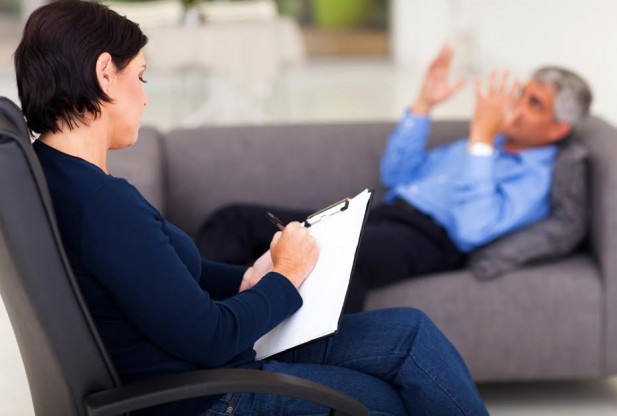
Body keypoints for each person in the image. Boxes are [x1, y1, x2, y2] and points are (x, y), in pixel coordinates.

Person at [14, 1, 489, 415]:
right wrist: (286, 276)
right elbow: (210, 338)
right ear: (104, 75)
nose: (146, 95)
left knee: (409, 331)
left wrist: (248, 277)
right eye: (140, 76)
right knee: (386, 399)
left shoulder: (52, 174)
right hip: (205, 394)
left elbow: (158, 277)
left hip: (196, 370)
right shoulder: (103, 206)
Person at [196, 44, 593, 313]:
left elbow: (473, 229)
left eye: (534, 104)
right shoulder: (486, 143)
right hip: (383, 214)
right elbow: (397, 174)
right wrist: (424, 103)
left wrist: (481, 139)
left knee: (334, 259)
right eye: (522, 94)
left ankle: (278, 364)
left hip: (430, 240)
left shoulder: (536, 177)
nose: (516, 107)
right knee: (235, 219)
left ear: (558, 129)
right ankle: (192, 315)